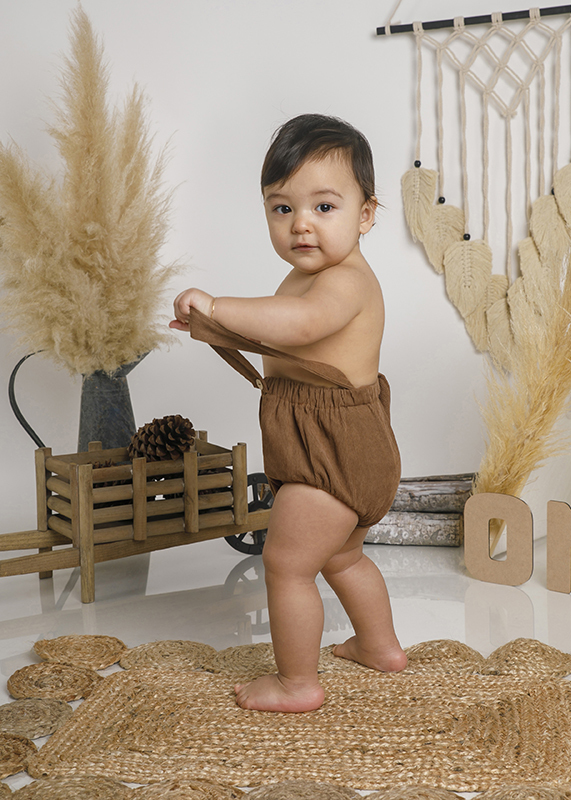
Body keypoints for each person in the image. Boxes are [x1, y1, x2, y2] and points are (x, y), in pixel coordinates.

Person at [171, 114, 406, 712]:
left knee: (285, 564)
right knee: (342, 556)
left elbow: (301, 326)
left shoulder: (345, 282)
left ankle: (297, 683)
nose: (301, 223)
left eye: (324, 207)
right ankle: (380, 647)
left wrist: (217, 305)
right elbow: (282, 337)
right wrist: (216, 330)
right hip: (340, 445)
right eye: (282, 208)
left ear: (366, 215)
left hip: (333, 451)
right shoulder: (301, 278)